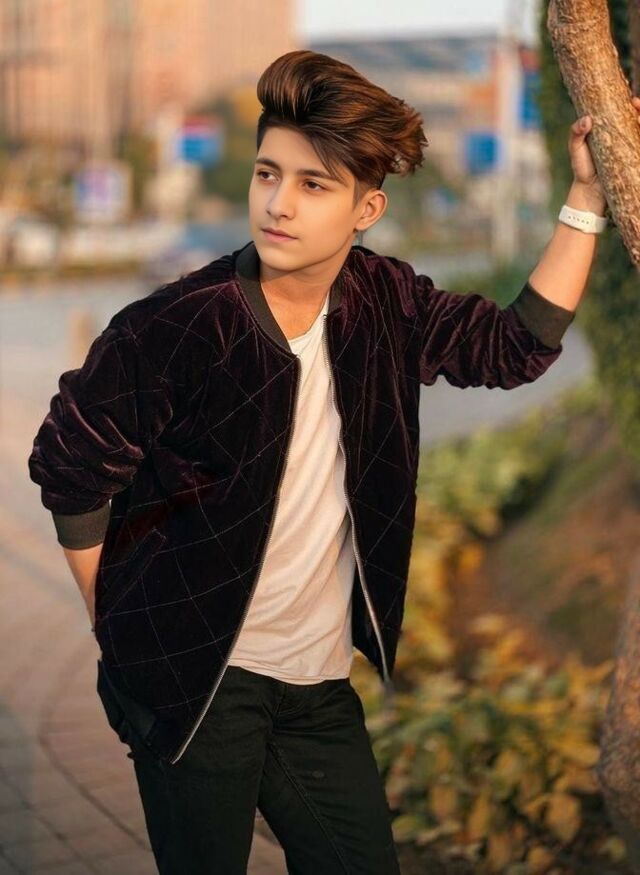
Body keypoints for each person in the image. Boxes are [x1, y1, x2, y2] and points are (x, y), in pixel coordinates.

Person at [27, 48, 615, 875]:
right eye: (268, 174)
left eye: (313, 184)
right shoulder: (177, 325)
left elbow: (513, 345)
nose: (279, 203)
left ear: (366, 207)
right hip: (199, 688)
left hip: (316, 688)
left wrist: (586, 200)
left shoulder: (386, 302)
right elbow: (71, 462)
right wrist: (120, 628)